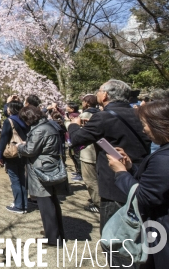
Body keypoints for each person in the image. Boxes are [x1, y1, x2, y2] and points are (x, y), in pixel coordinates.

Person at [69, 79, 151, 233]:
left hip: (113, 182)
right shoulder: (140, 113)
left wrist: (74, 124)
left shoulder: (103, 117)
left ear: (105, 95)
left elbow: (76, 139)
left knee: (113, 235)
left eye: (99, 91)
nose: (97, 93)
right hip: (140, 175)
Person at [108, 100, 169, 269]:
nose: (143, 129)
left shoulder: (164, 159)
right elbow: (156, 183)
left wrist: (120, 173)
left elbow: (144, 196)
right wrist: (130, 168)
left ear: (159, 125)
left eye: (145, 124)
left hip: (161, 230)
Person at [17, 105, 69, 245]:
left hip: (41, 168)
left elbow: (30, 150)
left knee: (45, 203)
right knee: (52, 201)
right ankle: (55, 233)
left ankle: (52, 237)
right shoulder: (48, 125)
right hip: (49, 165)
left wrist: (19, 146)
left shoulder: (39, 130)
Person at [0, 100, 29, 214]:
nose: (7, 109)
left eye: (8, 107)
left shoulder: (9, 121)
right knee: (22, 178)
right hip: (24, 151)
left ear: (11, 109)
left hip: (12, 153)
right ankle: (24, 204)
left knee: (15, 179)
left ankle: (19, 206)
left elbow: (4, 139)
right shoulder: (26, 120)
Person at [78, 94, 100, 213]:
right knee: (97, 177)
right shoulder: (99, 113)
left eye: (83, 101)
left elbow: (79, 134)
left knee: (90, 179)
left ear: (87, 102)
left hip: (88, 152)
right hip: (97, 151)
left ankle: (98, 203)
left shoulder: (86, 115)